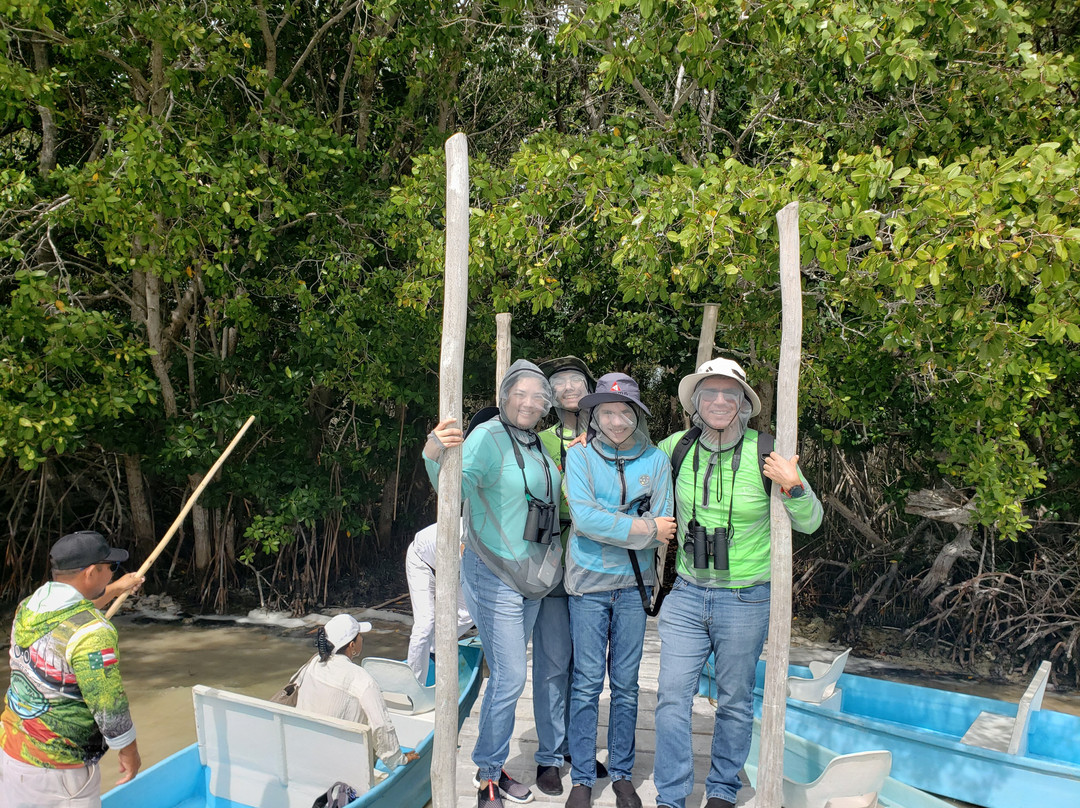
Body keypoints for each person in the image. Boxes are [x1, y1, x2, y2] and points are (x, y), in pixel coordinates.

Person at [652, 358, 824, 808]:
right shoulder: (675, 447)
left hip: (747, 598)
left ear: (746, 404)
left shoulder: (768, 452)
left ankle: (723, 791)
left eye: (732, 394)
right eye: (710, 392)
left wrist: (794, 487)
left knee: (734, 701)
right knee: (672, 698)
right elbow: (630, 465)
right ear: (696, 401)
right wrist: (591, 444)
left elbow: (812, 522)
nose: (721, 401)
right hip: (687, 593)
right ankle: (671, 796)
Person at [424, 359, 564, 808]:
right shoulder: (487, 437)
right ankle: (487, 774)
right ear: (504, 397)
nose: (528, 402)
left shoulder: (540, 444)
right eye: (519, 393)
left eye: (537, 396)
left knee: (505, 676)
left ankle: (492, 765)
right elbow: (453, 489)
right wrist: (432, 452)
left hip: (532, 576)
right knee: (510, 677)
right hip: (493, 572)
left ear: (546, 405)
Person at [562, 373, 677, 808]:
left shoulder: (655, 460)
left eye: (625, 412)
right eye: (606, 413)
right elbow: (585, 520)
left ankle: (624, 773)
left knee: (626, 685)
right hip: (588, 584)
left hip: (634, 586)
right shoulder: (580, 457)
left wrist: (634, 527)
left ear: (637, 415)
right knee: (587, 682)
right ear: (593, 415)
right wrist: (641, 527)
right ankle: (583, 776)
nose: (616, 421)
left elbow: (666, 526)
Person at [1, 531, 145, 808]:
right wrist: (129, 751)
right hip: (58, 768)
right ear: (91, 572)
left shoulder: (29, 606)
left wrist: (117, 589)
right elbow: (107, 704)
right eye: (111, 568)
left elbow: (72, 613)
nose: (113, 574)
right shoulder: (94, 633)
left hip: (12, 746)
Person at [532, 356, 596, 796]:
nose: (569, 387)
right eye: (559, 382)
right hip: (552, 561)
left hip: (596, 563)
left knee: (588, 666)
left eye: (576, 380)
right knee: (554, 663)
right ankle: (549, 756)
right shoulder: (536, 441)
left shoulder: (613, 433)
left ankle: (580, 748)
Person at [295, 614, 420, 770]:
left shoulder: (314, 664)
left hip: (306, 749)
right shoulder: (361, 679)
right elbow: (380, 725)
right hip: (343, 762)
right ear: (352, 645)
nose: (362, 639)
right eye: (360, 636)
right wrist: (397, 759)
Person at [405, 519, 474, 684]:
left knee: (468, 613)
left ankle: (434, 648)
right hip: (421, 561)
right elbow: (465, 552)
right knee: (425, 624)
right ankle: (414, 683)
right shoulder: (470, 528)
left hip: (453, 566)